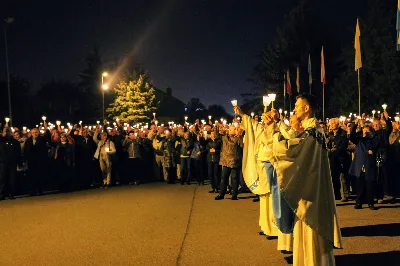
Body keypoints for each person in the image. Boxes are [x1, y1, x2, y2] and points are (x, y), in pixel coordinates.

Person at [265, 94, 342, 266]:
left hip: (311, 192)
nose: (294, 109)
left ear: (306, 109)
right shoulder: (313, 131)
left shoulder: (313, 132)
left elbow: (291, 152)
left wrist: (274, 129)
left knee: (311, 226)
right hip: (311, 186)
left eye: (297, 106)